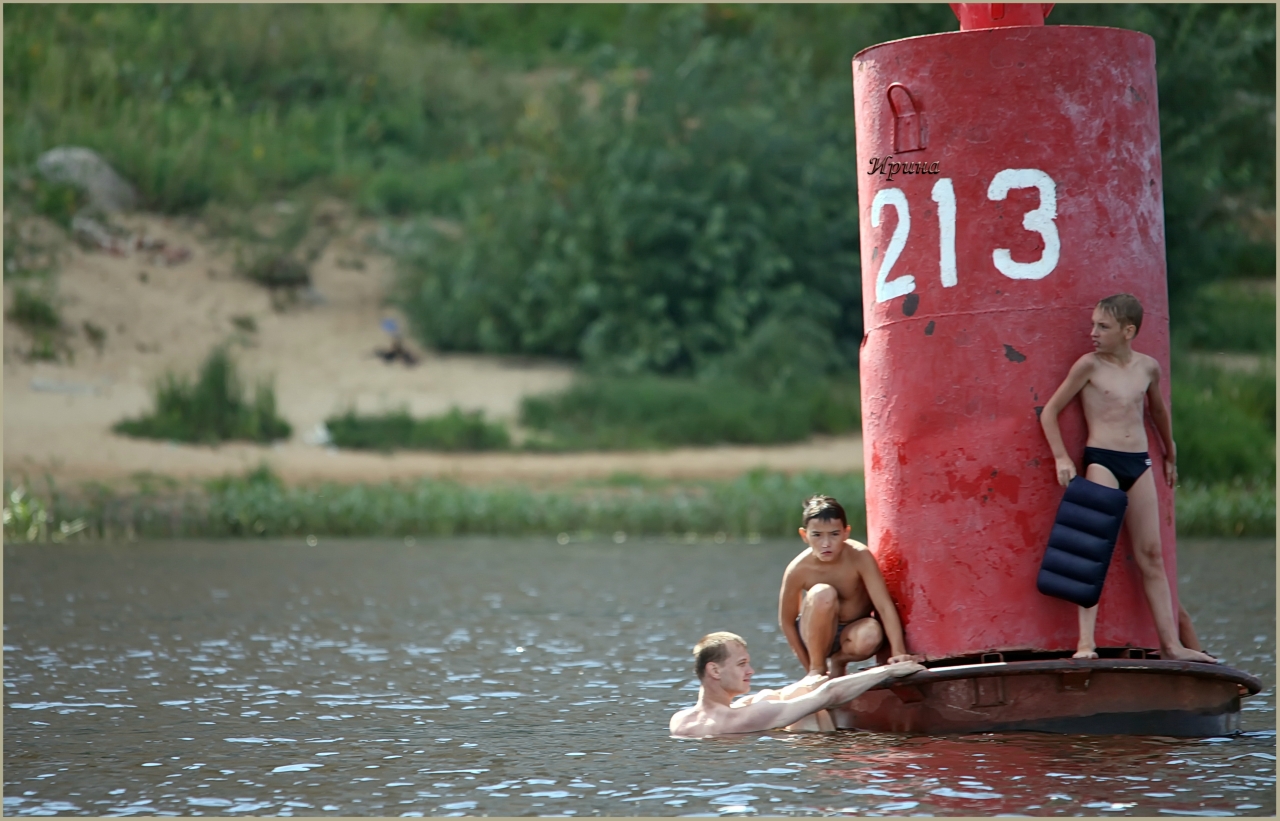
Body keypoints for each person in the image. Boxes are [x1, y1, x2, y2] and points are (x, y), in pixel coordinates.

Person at [1039, 293, 1215, 663]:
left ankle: (1171, 644)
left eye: (1103, 327)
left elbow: (1158, 412)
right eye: (1093, 325)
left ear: (1128, 331)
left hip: (1139, 461)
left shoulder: (1147, 368)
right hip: (1101, 460)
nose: (1093, 333)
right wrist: (1060, 457)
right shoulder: (1087, 366)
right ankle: (1085, 643)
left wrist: (1170, 451)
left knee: (1151, 554)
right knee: (1092, 550)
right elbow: (1049, 412)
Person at [668, 632, 925, 738]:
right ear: (714, 670)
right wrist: (888, 670)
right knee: (811, 706)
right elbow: (830, 694)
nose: (751, 671)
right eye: (742, 664)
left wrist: (803, 685)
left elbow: (767, 699)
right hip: (810, 758)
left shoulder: (679, 721)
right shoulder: (745, 717)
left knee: (787, 692)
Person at [777, 495, 918, 678]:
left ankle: (839, 661)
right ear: (804, 535)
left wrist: (899, 652)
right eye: (817, 535)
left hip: (852, 632)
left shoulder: (860, 557)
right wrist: (810, 670)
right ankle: (818, 670)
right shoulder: (798, 569)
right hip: (814, 635)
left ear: (846, 532)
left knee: (871, 634)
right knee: (822, 594)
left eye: (834, 534)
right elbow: (787, 623)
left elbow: (883, 605)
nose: (826, 544)